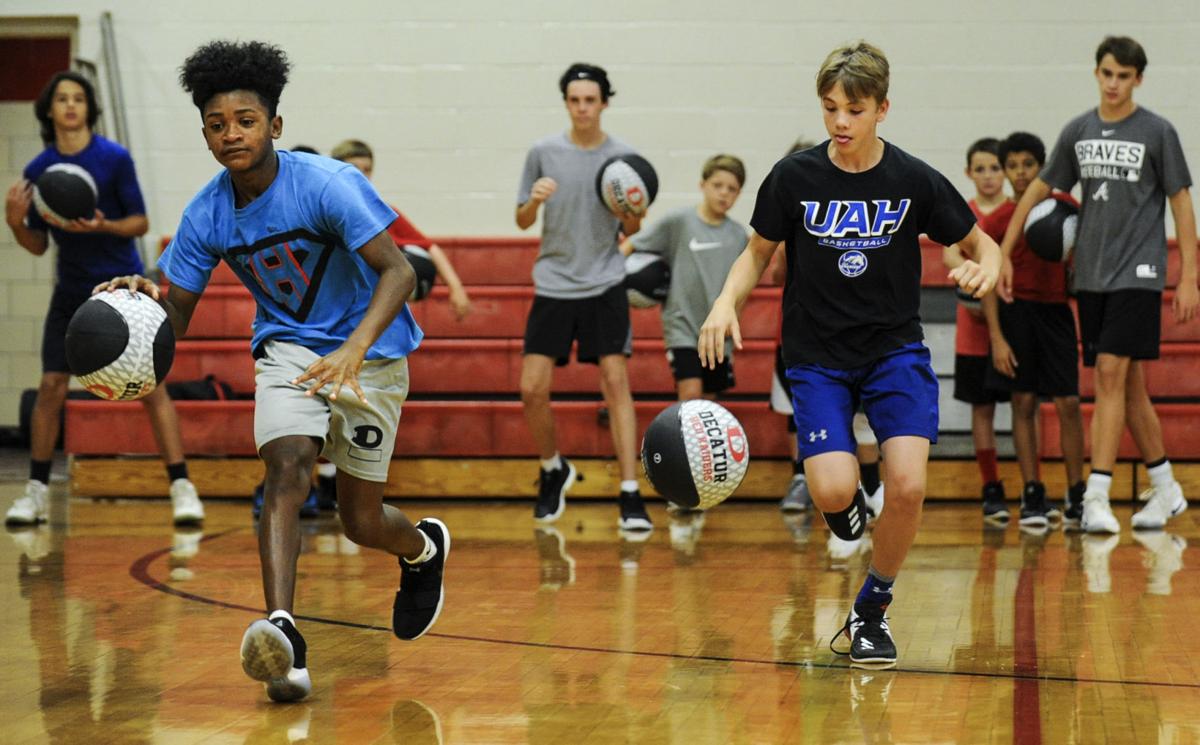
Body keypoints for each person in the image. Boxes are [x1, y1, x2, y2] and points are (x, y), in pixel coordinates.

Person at [97, 40, 449, 703]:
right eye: (217, 123)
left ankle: (422, 549)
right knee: (286, 466)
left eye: (245, 120)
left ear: (274, 126)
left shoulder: (327, 183)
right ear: (204, 132)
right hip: (287, 347)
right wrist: (136, 308)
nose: (231, 133)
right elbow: (179, 316)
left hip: (371, 353)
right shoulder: (205, 214)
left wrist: (351, 349)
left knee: (360, 521)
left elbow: (400, 272)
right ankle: (284, 637)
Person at [699, 41, 1000, 667]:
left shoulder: (913, 178)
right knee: (833, 491)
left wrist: (988, 270)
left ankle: (869, 612)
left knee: (910, 485)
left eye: (854, 110)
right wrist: (725, 302)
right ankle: (847, 512)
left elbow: (981, 242)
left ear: (882, 109)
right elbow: (756, 252)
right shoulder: (794, 177)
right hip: (816, 357)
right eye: (831, 108)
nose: (840, 122)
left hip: (893, 352)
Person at [997, 36, 1197, 533]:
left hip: (1140, 272)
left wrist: (1189, 275)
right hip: (1090, 275)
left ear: (1138, 80)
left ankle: (1097, 496)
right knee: (1129, 387)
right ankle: (1167, 489)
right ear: (1097, 73)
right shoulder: (1078, 131)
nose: (1114, 83)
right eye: (1107, 73)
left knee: (1109, 373)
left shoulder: (1157, 131)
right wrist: (1002, 252)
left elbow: (1181, 203)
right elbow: (1040, 189)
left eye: (1124, 76)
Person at [4, 71, 203, 527]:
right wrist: (16, 223)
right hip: (71, 289)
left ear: (89, 109)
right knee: (52, 386)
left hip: (122, 285)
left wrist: (102, 227)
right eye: (62, 99)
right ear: (49, 111)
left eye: (78, 98)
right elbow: (38, 244)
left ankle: (181, 486)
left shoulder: (113, 158)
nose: (70, 106)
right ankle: (34, 491)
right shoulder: (39, 171)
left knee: (152, 388)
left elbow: (138, 222)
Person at [516, 62, 651, 531]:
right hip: (553, 281)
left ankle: (630, 492)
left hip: (605, 282)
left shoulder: (624, 159)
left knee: (615, 383)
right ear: (567, 103)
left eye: (590, 100)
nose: (582, 108)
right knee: (531, 387)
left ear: (604, 102)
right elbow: (521, 221)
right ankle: (553, 467)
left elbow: (633, 227)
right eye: (574, 100)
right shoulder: (543, 152)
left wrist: (634, 209)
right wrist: (534, 200)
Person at [771, 140, 884, 520]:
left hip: (855, 339)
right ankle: (804, 480)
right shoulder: (786, 217)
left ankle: (870, 486)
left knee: (861, 418)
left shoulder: (852, 216)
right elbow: (774, 274)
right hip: (801, 340)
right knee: (801, 414)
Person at [981, 132, 1085, 529]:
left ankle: (1077, 493)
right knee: (1023, 404)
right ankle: (1032, 492)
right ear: (1005, 171)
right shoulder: (997, 221)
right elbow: (988, 282)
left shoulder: (1067, 209)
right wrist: (996, 337)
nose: (1021, 172)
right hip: (1015, 315)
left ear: (1042, 167)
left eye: (1029, 164)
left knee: (1068, 404)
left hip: (1057, 313)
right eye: (1013, 166)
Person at [620, 154, 749, 402]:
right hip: (682, 326)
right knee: (689, 394)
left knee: (709, 402)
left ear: (739, 194)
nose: (724, 193)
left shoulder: (738, 235)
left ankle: (700, 443)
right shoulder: (679, 221)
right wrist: (613, 278)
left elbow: (742, 286)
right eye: (717, 185)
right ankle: (680, 442)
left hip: (717, 331)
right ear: (703, 185)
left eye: (732, 189)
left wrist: (734, 320)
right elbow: (632, 245)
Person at [942, 138, 1012, 524]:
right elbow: (950, 252)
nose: (987, 176)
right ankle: (991, 486)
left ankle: (1034, 486)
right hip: (972, 330)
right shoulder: (962, 212)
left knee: (1024, 404)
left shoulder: (1015, 211)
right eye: (980, 168)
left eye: (994, 168)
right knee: (982, 409)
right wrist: (967, 272)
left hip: (1015, 323)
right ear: (969, 173)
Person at [331, 138, 473, 321]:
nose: (362, 176)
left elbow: (430, 247)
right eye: (355, 169)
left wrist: (456, 288)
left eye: (367, 170)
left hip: (373, 308)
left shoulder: (382, 212)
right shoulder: (325, 213)